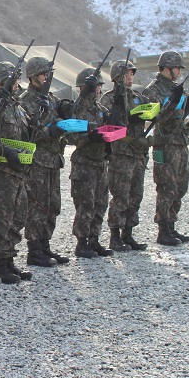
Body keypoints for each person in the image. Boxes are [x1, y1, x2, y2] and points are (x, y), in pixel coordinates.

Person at [142, 50, 189, 246]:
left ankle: (172, 226)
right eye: (177, 68)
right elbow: (156, 117)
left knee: (180, 186)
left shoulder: (178, 89)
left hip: (180, 143)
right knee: (166, 186)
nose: (179, 72)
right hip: (164, 144)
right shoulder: (153, 90)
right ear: (167, 68)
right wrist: (173, 101)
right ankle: (163, 229)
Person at [0, 61, 34, 283]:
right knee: (2, 218)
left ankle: (10, 259)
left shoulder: (16, 105)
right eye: (11, 79)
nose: (16, 83)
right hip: (1, 170)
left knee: (18, 216)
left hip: (19, 169)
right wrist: (5, 150)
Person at [18, 56, 70, 267]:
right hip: (37, 160)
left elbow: (60, 120)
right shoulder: (25, 101)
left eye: (49, 74)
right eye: (42, 74)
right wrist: (49, 131)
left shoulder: (50, 99)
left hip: (53, 159)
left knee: (52, 205)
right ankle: (34, 249)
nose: (46, 78)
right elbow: (25, 134)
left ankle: (45, 244)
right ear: (32, 77)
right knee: (37, 205)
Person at [99, 59, 151, 251]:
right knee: (120, 195)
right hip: (120, 154)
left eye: (131, 74)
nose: (130, 78)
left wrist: (148, 113)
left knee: (136, 194)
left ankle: (128, 233)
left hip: (138, 153)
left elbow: (153, 111)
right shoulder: (109, 98)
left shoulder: (138, 96)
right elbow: (106, 123)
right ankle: (114, 235)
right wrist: (120, 110)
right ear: (116, 78)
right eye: (126, 74)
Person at [66, 68, 114, 258]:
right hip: (84, 163)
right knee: (85, 205)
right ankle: (82, 242)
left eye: (100, 87)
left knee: (100, 203)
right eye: (94, 87)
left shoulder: (102, 110)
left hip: (100, 162)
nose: (98, 90)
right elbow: (70, 134)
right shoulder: (77, 109)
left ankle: (94, 239)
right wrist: (89, 137)